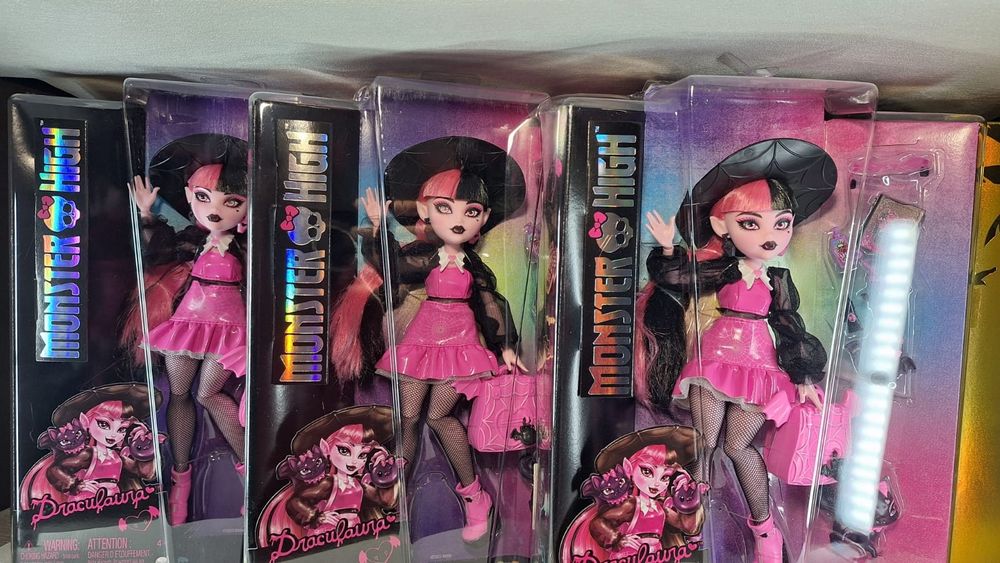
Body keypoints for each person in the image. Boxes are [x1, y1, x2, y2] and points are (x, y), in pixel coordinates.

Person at [636, 139, 836, 562]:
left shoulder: (778, 281)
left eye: (781, 224)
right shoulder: (724, 269)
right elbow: (680, 277)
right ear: (721, 224)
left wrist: (803, 376)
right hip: (713, 361)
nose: (770, 236)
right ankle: (684, 521)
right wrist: (669, 249)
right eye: (751, 223)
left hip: (760, 368)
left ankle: (765, 530)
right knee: (703, 442)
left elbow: (789, 325)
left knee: (739, 447)